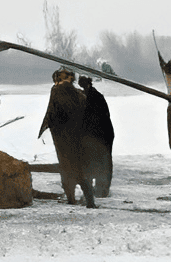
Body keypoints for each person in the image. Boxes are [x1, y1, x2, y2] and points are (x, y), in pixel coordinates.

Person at [38, 69, 96, 208]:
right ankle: (89, 201)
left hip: (63, 138)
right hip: (77, 137)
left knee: (67, 167)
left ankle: (72, 199)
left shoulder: (57, 91)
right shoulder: (78, 94)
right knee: (80, 168)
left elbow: (51, 112)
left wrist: (47, 127)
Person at [78, 75, 116, 198]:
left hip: (101, 133)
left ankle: (102, 190)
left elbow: (92, 117)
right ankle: (100, 189)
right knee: (98, 161)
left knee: (101, 161)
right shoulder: (90, 95)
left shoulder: (94, 96)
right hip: (100, 133)